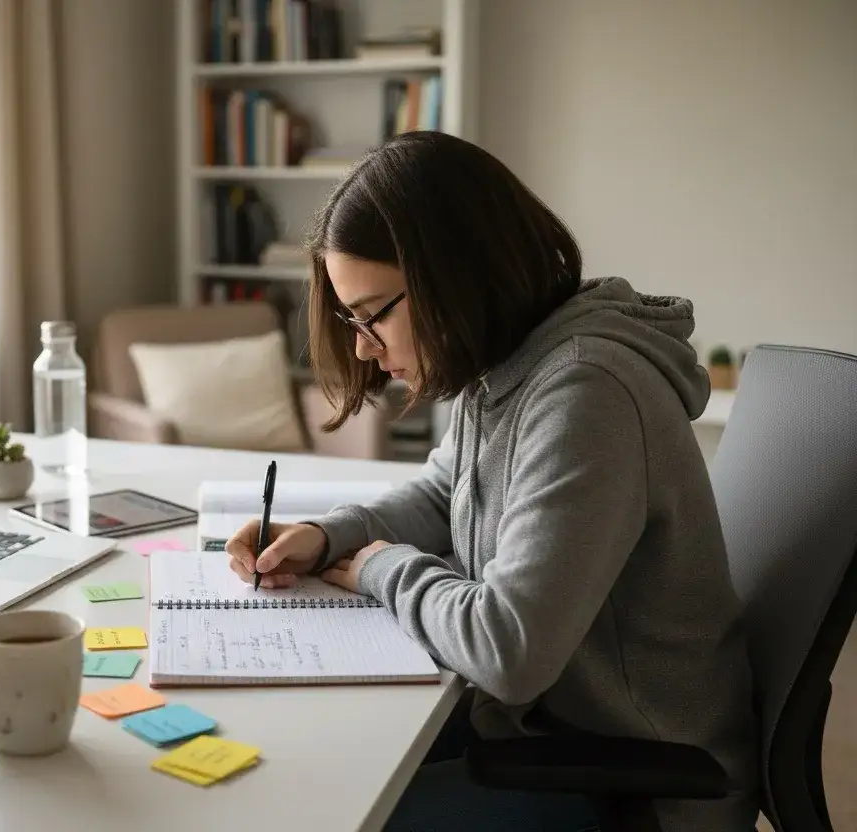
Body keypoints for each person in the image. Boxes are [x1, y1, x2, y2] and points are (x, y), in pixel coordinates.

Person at [225, 132, 758, 831]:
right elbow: (442, 494)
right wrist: (328, 536)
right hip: (547, 730)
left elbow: (508, 650)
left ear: (457, 274)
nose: (361, 345)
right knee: (300, 766)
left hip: (637, 780)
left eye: (373, 313)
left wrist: (385, 568)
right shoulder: (505, 361)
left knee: (337, 811)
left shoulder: (585, 392)